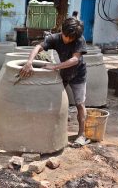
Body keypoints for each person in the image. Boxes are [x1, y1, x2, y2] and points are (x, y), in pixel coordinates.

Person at [19, 17, 90, 147]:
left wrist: (54, 66)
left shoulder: (79, 39)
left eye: (71, 38)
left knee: (80, 104)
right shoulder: (55, 38)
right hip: (63, 73)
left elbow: (75, 60)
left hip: (78, 74)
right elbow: (38, 47)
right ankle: (54, 129)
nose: (68, 39)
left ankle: (81, 134)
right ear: (61, 31)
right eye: (66, 36)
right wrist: (29, 62)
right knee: (54, 101)